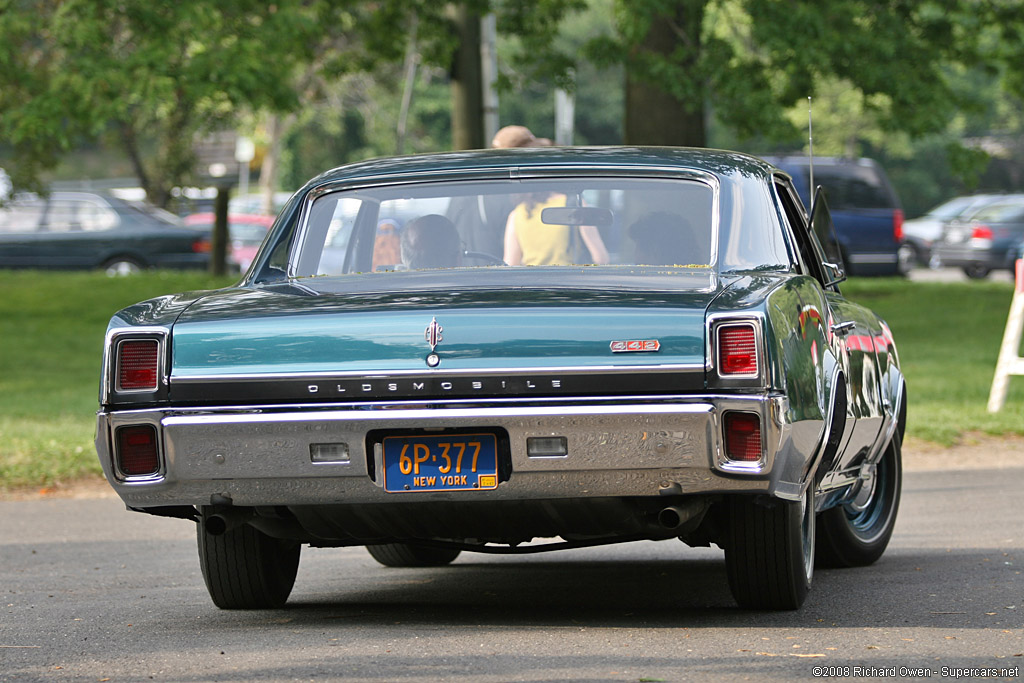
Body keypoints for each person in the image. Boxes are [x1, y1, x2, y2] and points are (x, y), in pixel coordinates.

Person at [448, 125, 553, 258]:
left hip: (460, 274)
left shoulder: (461, 188)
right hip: (498, 274)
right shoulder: (511, 196)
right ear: (519, 157)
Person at [503, 191, 609, 266]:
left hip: (532, 287)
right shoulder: (575, 205)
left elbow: (511, 264)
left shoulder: (517, 214)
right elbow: (601, 259)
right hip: (570, 286)